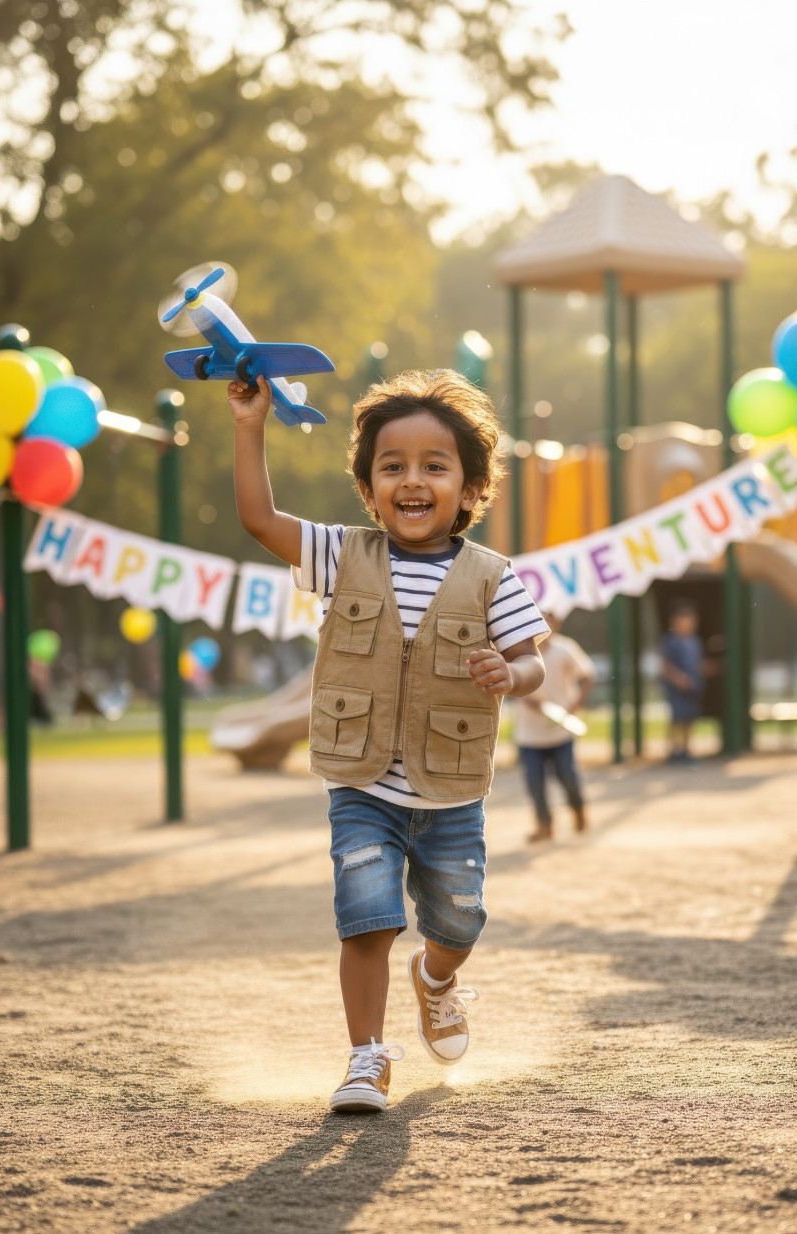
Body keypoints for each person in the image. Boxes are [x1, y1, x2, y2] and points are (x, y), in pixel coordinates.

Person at [229, 369, 548, 1114]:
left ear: (470, 489)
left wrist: (514, 671)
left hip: (451, 788)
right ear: (369, 490)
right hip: (362, 782)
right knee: (367, 915)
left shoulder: (493, 578)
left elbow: (534, 655)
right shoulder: (342, 555)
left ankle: (437, 980)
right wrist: (251, 426)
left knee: (460, 918)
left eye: (434, 466)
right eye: (392, 466)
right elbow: (259, 518)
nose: (412, 480)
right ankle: (367, 1057)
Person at [513, 613, 594, 842]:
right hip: (529, 734)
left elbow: (588, 676)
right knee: (535, 783)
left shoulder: (565, 649)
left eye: (549, 621)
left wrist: (575, 705)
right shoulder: (517, 652)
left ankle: (578, 810)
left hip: (560, 731)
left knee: (568, 776)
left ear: (556, 624)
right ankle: (544, 825)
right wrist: (520, 692)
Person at [660, 599, 704, 763]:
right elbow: (665, 665)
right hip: (676, 688)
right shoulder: (671, 641)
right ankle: (674, 750)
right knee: (677, 719)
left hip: (692, 687)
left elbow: (697, 664)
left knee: (689, 720)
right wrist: (677, 678)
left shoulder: (694, 642)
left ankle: (686, 750)